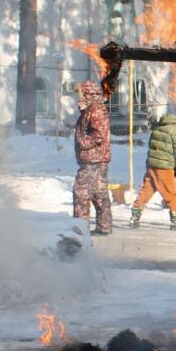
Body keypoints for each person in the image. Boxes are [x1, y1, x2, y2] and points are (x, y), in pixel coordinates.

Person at [130, 111, 176, 229]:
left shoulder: (156, 129)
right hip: (164, 166)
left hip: (151, 164)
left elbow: (151, 145)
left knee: (146, 190)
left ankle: (134, 216)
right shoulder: (174, 130)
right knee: (170, 191)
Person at [73, 80, 112, 236]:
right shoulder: (92, 109)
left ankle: (78, 230)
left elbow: (99, 134)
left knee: (81, 192)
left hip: (93, 160)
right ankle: (104, 227)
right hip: (96, 159)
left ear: (88, 94)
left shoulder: (96, 110)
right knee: (98, 193)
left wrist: (82, 143)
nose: (78, 96)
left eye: (81, 93)